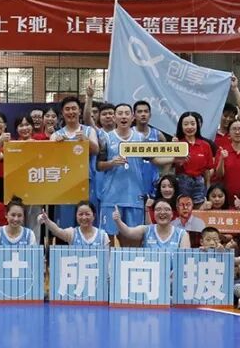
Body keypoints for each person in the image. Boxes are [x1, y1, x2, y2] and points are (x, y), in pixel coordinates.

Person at [97, 103, 155, 245]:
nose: (123, 116)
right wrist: (111, 163)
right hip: (111, 197)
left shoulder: (141, 139)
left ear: (132, 117)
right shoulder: (106, 138)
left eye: (126, 113)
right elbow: (98, 166)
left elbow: (155, 159)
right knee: (108, 240)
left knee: (132, 240)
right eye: (120, 113)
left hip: (134, 197)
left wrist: (176, 157)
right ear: (114, 117)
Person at [52, 96, 100, 227]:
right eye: (67, 109)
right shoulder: (56, 135)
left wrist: (86, 140)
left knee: (87, 221)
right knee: (66, 225)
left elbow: (96, 150)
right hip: (65, 184)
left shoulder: (89, 131)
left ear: (79, 111)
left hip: (86, 182)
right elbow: (51, 158)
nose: (71, 112)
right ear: (62, 113)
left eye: (74, 108)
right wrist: (56, 146)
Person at [173, 111, 214, 208]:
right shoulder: (178, 144)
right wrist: (174, 147)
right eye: (186, 124)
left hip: (199, 182)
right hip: (182, 182)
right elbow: (171, 166)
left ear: (197, 125)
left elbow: (207, 170)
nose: (189, 127)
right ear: (181, 126)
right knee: (183, 208)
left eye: (192, 123)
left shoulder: (205, 145)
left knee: (199, 209)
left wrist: (208, 187)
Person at [113, 200, 191, 249]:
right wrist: (118, 221)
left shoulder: (182, 234)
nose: (162, 212)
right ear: (154, 213)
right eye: (158, 209)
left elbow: (184, 258)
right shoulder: (146, 230)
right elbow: (128, 232)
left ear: (172, 214)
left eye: (167, 209)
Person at [39, 202, 110, 247]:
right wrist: (47, 221)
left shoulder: (103, 236)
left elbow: (107, 259)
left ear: (94, 216)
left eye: (87, 214)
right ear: (76, 216)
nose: (84, 217)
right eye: (80, 214)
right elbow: (57, 231)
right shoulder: (72, 233)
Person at [132, 100, 163, 199]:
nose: (143, 114)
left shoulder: (158, 134)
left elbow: (168, 156)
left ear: (150, 115)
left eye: (146, 111)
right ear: (134, 115)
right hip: (133, 180)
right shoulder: (129, 134)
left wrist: (164, 175)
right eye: (139, 112)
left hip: (152, 180)